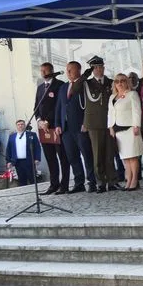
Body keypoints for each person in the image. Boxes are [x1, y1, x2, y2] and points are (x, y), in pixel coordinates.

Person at [56, 61, 97, 193]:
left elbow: (90, 106)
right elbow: (59, 107)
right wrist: (58, 124)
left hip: (81, 126)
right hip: (66, 128)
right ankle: (79, 183)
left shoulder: (85, 84)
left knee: (87, 155)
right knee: (72, 156)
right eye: (67, 70)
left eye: (71, 70)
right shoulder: (63, 87)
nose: (68, 72)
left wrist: (87, 122)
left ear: (78, 70)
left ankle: (92, 182)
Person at [82, 56, 120, 193]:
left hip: (109, 122)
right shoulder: (86, 83)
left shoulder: (111, 82)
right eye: (96, 67)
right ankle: (100, 183)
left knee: (110, 154)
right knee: (97, 155)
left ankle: (112, 181)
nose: (99, 69)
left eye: (101, 66)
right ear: (92, 69)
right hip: (94, 123)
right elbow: (74, 89)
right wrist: (85, 74)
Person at [34, 62, 70, 195]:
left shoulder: (59, 85)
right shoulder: (39, 88)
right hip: (43, 128)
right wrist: (39, 120)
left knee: (62, 157)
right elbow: (36, 107)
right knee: (50, 157)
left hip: (55, 126)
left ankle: (64, 184)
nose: (43, 73)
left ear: (51, 70)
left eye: (45, 70)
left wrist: (48, 121)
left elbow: (58, 107)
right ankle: (53, 184)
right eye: (41, 70)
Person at [108, 73, 143, 191]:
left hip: (129, 129)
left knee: (132, 156)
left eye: (122, 80)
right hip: (118, 130)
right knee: (125, 158)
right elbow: (110, 113)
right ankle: (128, 180)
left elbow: (137, 110)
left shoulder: (132, 94)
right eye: (117, 81)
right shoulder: (112, 97)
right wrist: (110, 127)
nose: (119, 83)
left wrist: (136, 125)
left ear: (127, 82)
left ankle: (134, 180)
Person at [7, 120, 41, 186]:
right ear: (16, 126)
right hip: (18, 162)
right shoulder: (12, 137)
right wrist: (8, 161)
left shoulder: (31, 135)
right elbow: (9, 149)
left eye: (22, 124)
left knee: (32, 178)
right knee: (21, 179)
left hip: (29, 160)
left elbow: (37, 147)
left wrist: (37, 158)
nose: (20, 126)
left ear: (25, 125)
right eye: (18, 124)